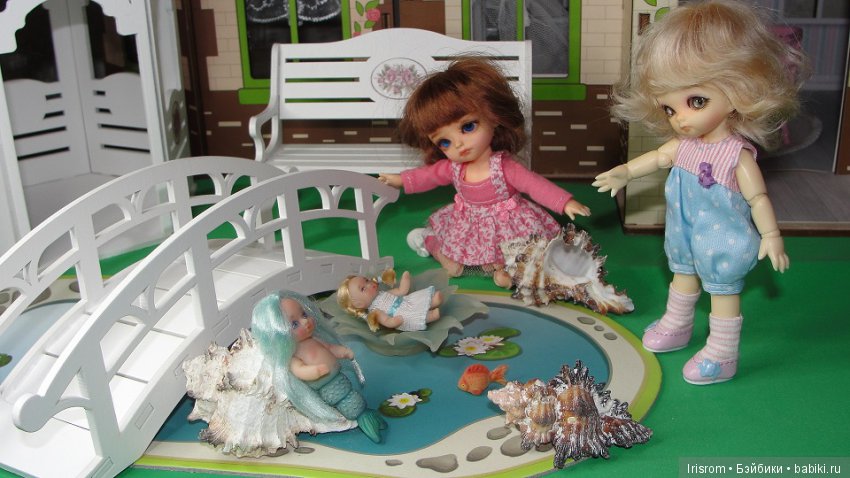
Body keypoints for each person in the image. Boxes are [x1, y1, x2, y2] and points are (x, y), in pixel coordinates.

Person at [593, 0, 807, 385]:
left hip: (722, 237)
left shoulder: (736, 155)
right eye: (669, 108)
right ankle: (678, 324)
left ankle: (722, 353)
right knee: (682, 273)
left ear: (740, 89)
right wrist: (624, 172)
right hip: (684, 230)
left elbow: (758, 198)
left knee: (722, 291)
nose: (681, 119)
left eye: (696, 102)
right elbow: (658, 158)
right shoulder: (684, 145)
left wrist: (771, 235)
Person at [379, 58, 590, 288]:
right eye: (444, 142)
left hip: (508, 224)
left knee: (523, 251)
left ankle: (507, 270)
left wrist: (564, 202)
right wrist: (400, 180)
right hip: (469, 224)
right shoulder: (453, 167)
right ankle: (431, 242)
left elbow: (535, 185)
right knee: (454, 262)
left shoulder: (505, 167)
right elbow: (427, 176)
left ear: (494, 117)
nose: (459, 144)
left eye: (468, 127)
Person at [251, 291, 385, 441]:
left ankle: (366, 415)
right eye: (294, 324)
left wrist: (342, 352)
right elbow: (299, 370)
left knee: (352, 398)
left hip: (339, 379)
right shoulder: (293, 356)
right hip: (327, 388)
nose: (305, 321)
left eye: (304, 314)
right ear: (279, 334)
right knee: (347, 403)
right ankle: (363, 419)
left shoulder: (314, 339)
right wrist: (314, 371)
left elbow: (329, 348)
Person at [337, 270, 443, 332]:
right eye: (363, 288)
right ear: (359, 304)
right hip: (400, 315)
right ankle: (431, 315)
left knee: (417, 301)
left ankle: (433, 302)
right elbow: (386, 321)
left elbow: (401, 291)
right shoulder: (375, 311)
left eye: (367, 280)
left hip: (406, 302)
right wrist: (393, 322)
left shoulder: (383, 293)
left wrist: (405, 280)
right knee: (413, 316)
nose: (369, 284)